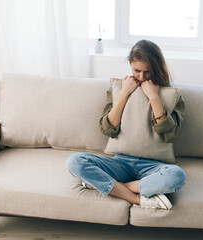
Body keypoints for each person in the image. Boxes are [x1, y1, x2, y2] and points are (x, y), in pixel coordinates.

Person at [67, 39, 186, 210]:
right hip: (120, 163)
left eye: (147, 72)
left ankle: (110, 186)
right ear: (130, 65)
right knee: (75, 161)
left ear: (157, 68)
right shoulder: (118, 89)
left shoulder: (174, 96)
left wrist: (154, 97)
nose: (141, 77)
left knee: (177, 176)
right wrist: (123, 93)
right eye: (137, 71)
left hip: (153, 166)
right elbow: (108, 129)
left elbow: (170, 134)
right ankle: (136, 198)